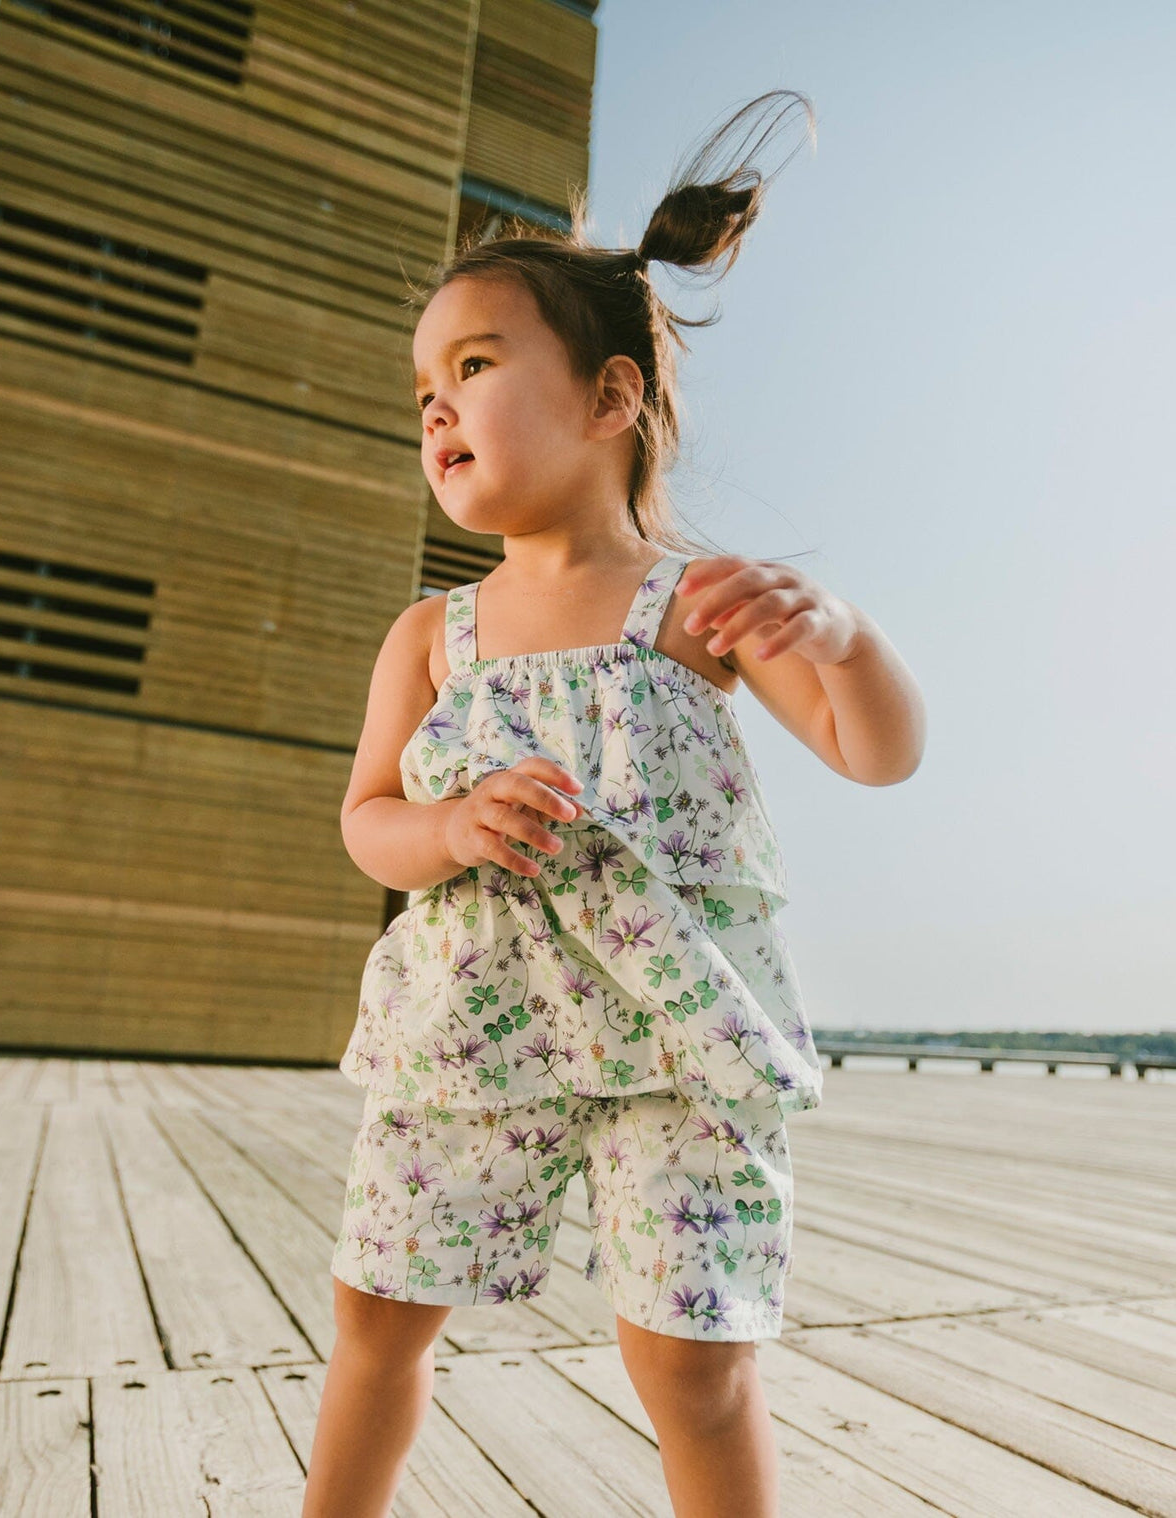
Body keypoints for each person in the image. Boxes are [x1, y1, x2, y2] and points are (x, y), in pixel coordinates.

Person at [303, 89, 926, 1518]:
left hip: (681, 1040)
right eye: (423, 393)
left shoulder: (695, 606)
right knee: (376, 1317)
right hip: (468, 1029)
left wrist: (840, 633)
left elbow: (875, 752)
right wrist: (447, 829)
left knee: (692, 1365)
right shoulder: (428, 637)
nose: (438, 406)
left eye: (472, 363)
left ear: (609, 397)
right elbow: (366, 821)